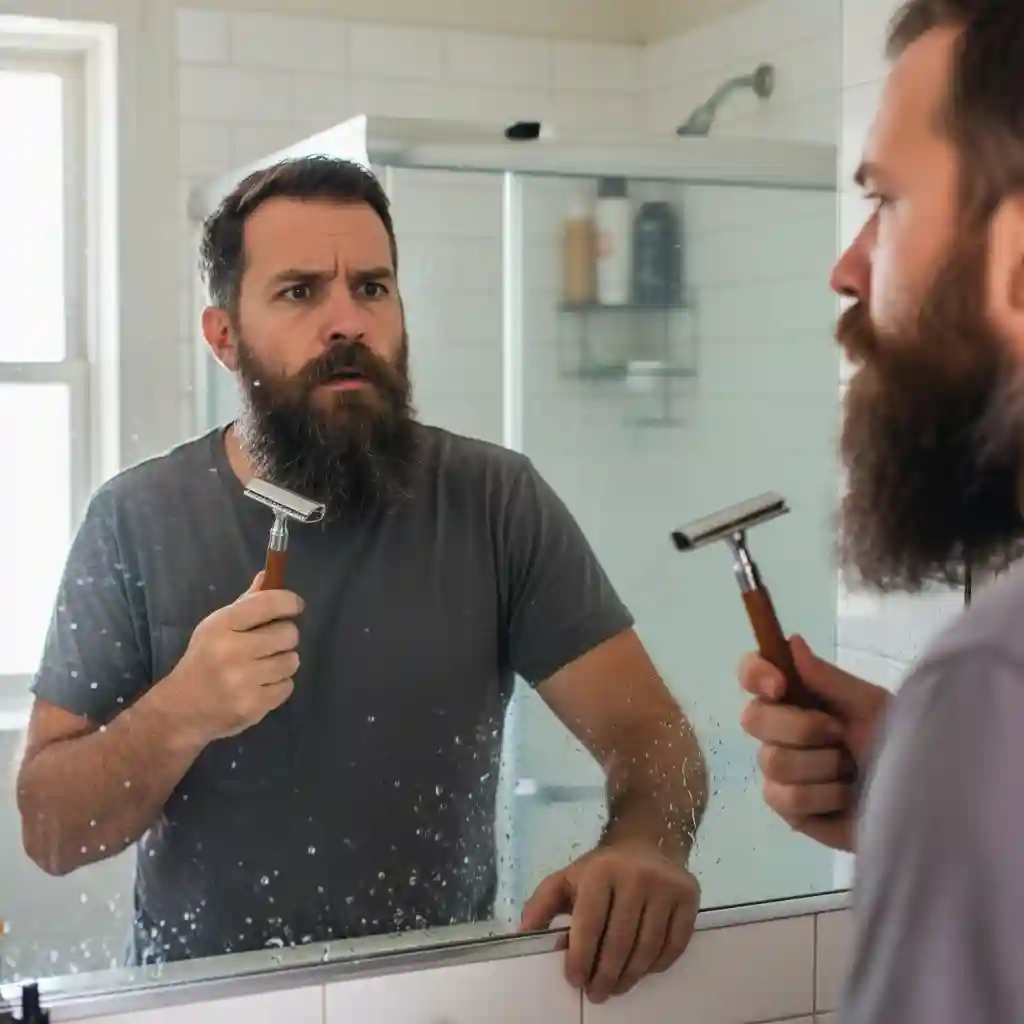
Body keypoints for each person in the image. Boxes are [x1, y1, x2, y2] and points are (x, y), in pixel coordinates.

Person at [14, 155, 707, 1004]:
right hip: (201, 1007)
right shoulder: (135, 519)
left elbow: (652, 736)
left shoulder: (494, 502)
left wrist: (643, 844)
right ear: (223, 335)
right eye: (301, 292)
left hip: (437, 1004)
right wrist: (181, 710)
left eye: (372, 288)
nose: (348, 322)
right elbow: (50, 829)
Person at [737, 0, 1024, 1019]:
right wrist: (934, 793)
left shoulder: (994, 681)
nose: (846, 267)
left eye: (888, 203)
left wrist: (963, 760)